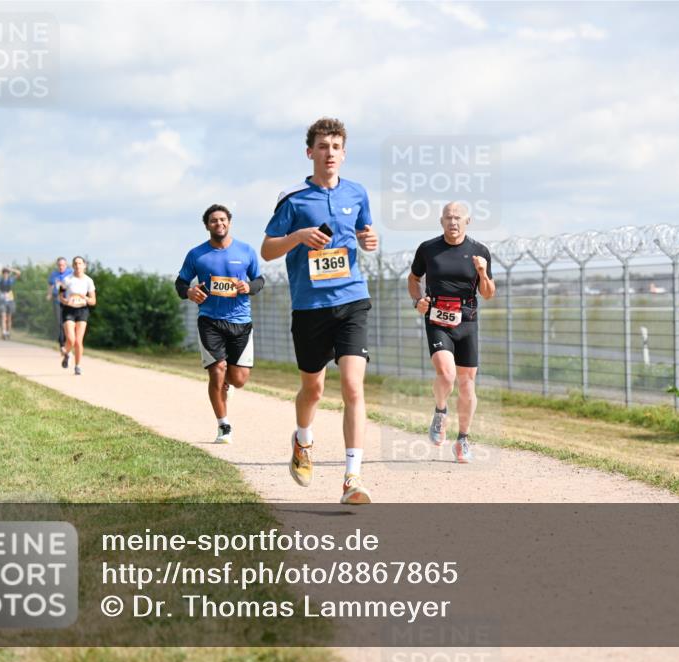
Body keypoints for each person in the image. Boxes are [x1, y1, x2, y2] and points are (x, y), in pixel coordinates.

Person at [261, 117, 379, 504]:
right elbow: (267, 250)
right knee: (313, 389)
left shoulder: (358, 193)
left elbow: (364, 233)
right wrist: (297, 237)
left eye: (336, 147)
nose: (330, 153)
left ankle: (352, 477)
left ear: (344, 154)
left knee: (352, 386)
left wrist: (369, 239)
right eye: (323, 147)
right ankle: (303, 439)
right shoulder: (293, 198)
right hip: (310, 306)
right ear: (309, 152)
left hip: (351, 299)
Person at [407, 202, 495, 464]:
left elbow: (488, 294)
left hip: (467, 320)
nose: (453, 222)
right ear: (441, 221)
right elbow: (413, 279)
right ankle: (440, 411)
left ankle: (463, 440)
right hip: (437, 318)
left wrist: (481, 271)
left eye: (457, 218)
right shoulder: (428, 249)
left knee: (467, 385)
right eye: (448, 218)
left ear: (468, 221)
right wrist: (418, 301)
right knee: (447, 374)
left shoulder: (480, 252)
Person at [176, 204, 264, 445]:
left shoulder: (246, 251)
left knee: (239, 380)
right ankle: (223, 425)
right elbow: (180, 283)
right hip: (210, 321)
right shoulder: (197, 254)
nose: (219, 224)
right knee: (216, 371)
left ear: (230, 222)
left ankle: (228, 382)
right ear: (207, 226)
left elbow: (259, 279)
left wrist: (249, 287)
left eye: (223, 220)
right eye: (214, 221)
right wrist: (189, 292)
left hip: (240, 322)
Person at [59, 256, 96, 375]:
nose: (78, 265)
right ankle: (67, 354)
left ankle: (77, 365)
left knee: (78, 341)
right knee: (71, 339)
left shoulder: (88, 281)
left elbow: (93, 301)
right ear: (73, 266)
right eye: (75, 263)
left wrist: (83, 297)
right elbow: (60, 295)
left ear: (84, 266)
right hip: (69, 310)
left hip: (82, 310)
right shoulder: (67, 279)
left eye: (80, 263)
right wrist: (65, 301)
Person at [47, 257, 73, 357]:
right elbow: (50, 285)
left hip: (68, 301)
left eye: (63, 265)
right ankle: (62, 345)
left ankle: (68, 344)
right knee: (59, 323)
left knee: (68, 323)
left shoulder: (71, 273)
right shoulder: (54, 274)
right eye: (59, 265)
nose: (61, 267)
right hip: (57, 300)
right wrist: (49, 294)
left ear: (66, 265)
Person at [0, 267, 21, 339]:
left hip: (10, 300)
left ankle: (8, 332)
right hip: (2, 300)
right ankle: (4, 332)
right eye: (4, 273)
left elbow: (19, 273)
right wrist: (0, 270)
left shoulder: (11, 280)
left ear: (8, 274)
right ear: (2, 274)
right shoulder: (0, 280)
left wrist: (11, 269)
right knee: (3, 317)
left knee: (9, 318)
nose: (6, 274)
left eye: (7, 273)